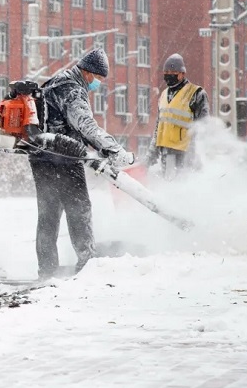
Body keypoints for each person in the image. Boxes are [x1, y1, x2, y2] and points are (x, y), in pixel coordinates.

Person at [28, 47, 135, 279]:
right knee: (79, 208)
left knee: (48, 213)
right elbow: (85, 125)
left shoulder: (57, 81)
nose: (96, 83)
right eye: (96, 78)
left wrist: (100, 148)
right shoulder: (73, 90)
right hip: (64, 157)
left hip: (40, 156)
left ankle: (46, 270)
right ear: (87, 72)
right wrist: (113, 149)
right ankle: (87, 266)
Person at [145, 53, 210, 179]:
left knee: (183, 187)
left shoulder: (196, 94)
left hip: (186, 155)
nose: (169, 75)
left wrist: (196, 154)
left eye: (173, 71)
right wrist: (151, 155)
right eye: (166, 71)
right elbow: (159, 128)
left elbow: (204, 127)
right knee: (169, 187)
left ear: (182, 73)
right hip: (166, 154)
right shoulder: (163, 95)